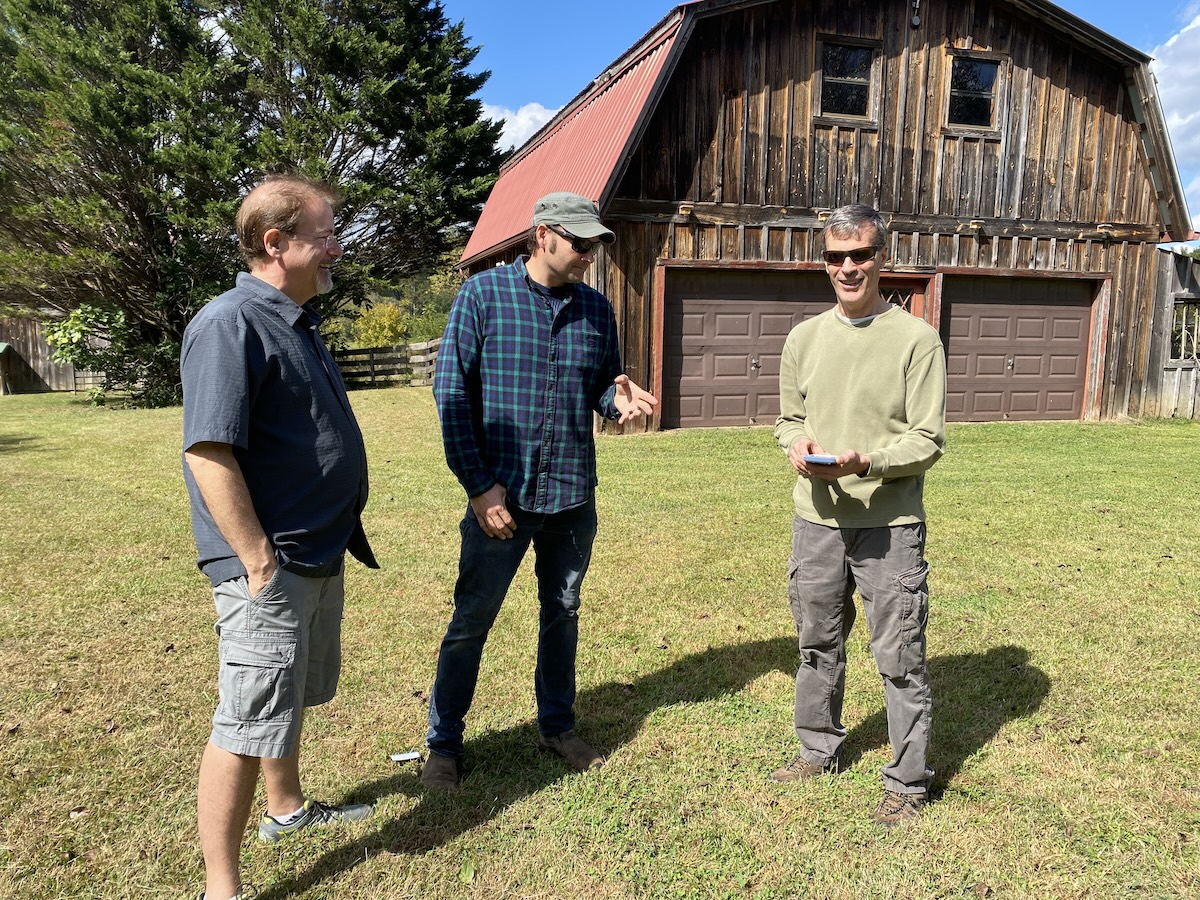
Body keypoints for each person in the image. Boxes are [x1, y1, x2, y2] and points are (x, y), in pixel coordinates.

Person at [181, 174, 379, 900]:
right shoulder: (230, 323)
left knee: (284, 699)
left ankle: (286, 810)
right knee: (245, 718)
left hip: (315, 550)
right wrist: (258, 561)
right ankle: (222, 888)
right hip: (271, 562)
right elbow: (208, 451)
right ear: (277, 243)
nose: (337, 247)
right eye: (326, 233)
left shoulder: (292, 318)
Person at [422, 191, 658, 790]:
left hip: (573, 499)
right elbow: (451, 397)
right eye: (580, 244)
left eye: (594, 244)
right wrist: (480, 488)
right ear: (543, 235)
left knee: (563, 612)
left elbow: (603, 388)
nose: (588, 255)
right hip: (502, 499)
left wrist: (619, 402)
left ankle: (557, 725)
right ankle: (443, 742)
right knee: (473, 618)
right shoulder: (483, 297)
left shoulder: (597, 311)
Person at [772, 204, 946, 827]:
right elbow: (789, 417)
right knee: (817, 641)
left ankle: (906, 782)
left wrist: (864, 463)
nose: (848, 267)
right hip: (815, 519)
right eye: (836, 256)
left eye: (861, 254)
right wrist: (794, 444)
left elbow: (928, 439)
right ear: (824, 262)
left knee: (899, 655)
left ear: (881, 258)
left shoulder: (916, 340)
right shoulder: (803, 338)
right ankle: (817, 749)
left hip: (888, 524)